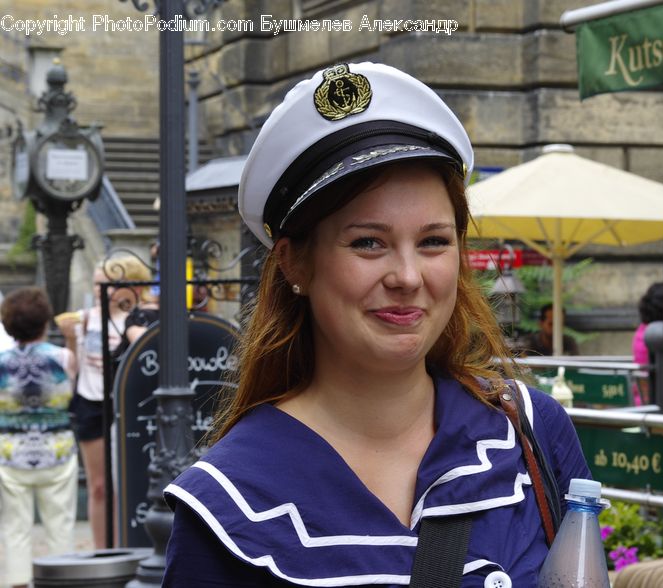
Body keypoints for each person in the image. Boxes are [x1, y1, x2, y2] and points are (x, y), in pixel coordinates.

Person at [162, 62, 590, 586]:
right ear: (295, 263)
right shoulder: (227, 503)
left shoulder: (531, 433)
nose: (408, 276)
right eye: (368, 242)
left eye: (433, 241)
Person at [57, 256, 151, 549]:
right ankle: (102, 550)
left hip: (128, 405)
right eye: (98, 284)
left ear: (132, 286)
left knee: (128, 482)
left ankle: (127, 545)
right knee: (98, 487)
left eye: (109, 285)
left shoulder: (141, 317)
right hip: (91, 403)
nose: (103, 292)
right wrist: (70, 340)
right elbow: (72, 367)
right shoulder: (85, 318)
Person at [0, 287, 78, 588]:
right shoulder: (62, 356)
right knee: (60, 525)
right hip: (56, 449)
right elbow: (73, 381)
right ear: (46, 321)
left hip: (11, 451)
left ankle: (17, 583)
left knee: (14, 529)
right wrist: (71, 338)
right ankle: (61, 581)